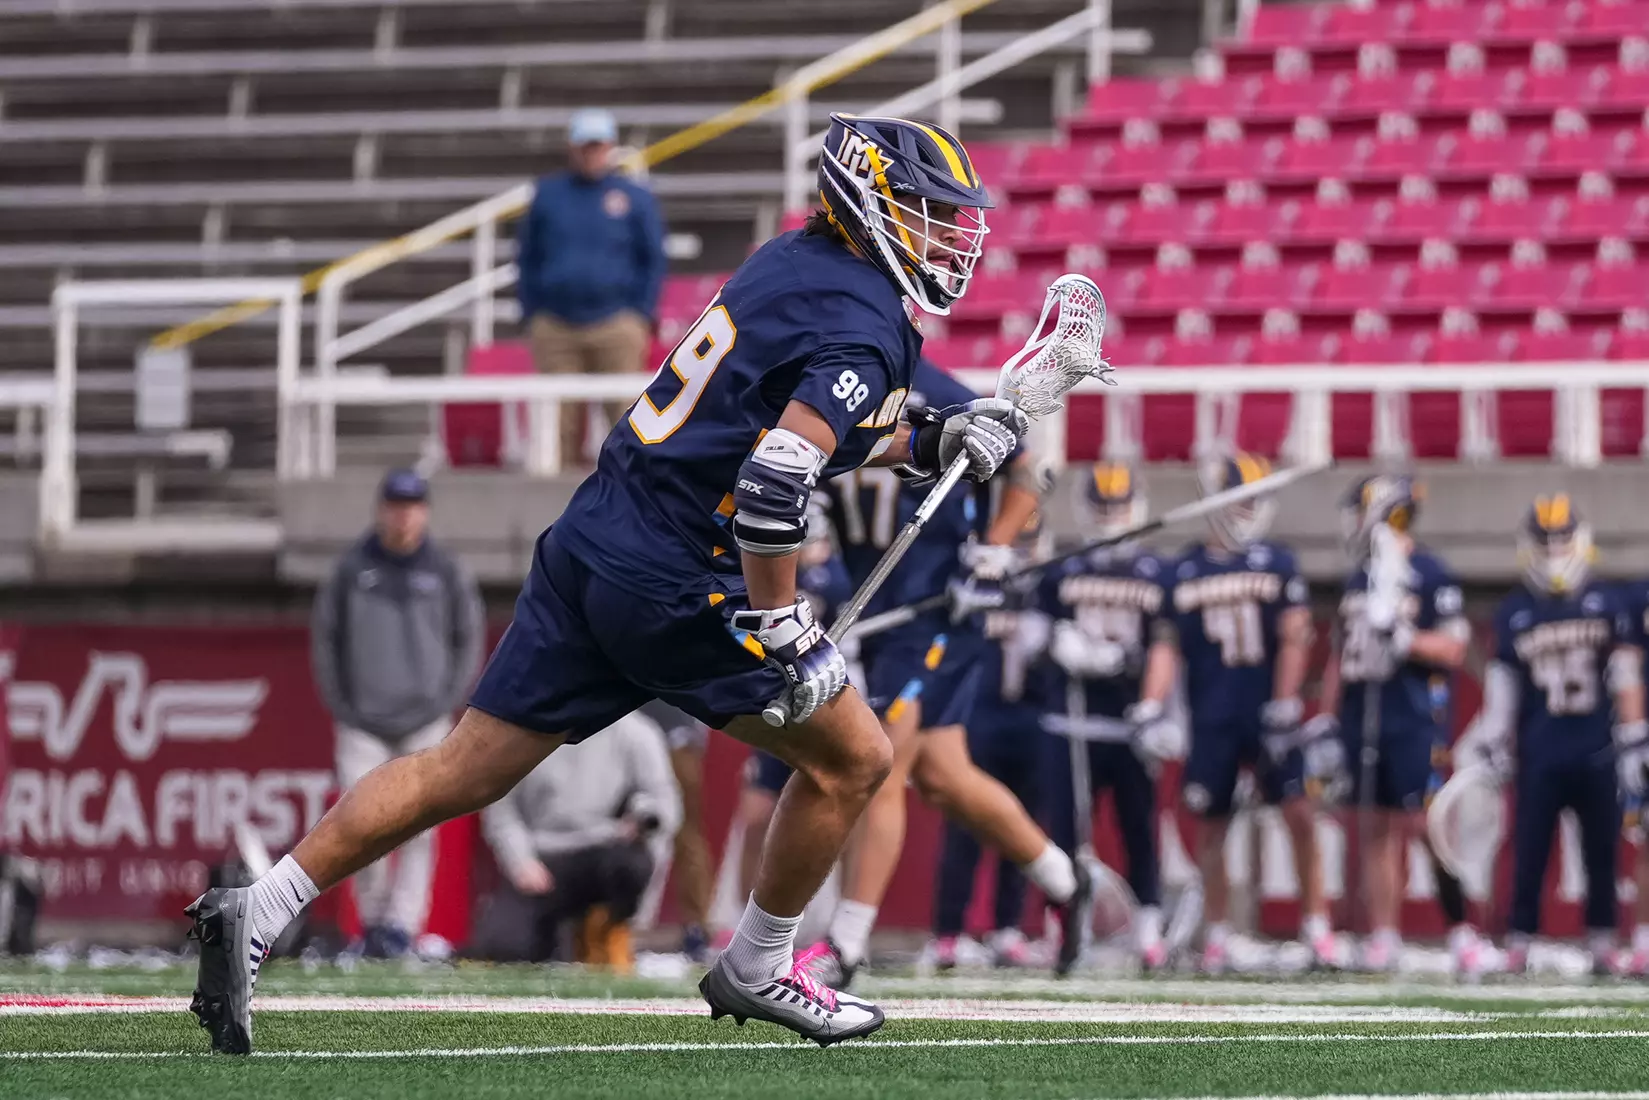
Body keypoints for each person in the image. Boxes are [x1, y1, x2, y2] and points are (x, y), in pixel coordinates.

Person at [186, 113, 1017, 1054]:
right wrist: (785, 622)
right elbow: (777, 477)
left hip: (595, 533)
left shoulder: (789, 259)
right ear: (865, 201)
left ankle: (260, 906)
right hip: (676, 573)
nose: (943, 234)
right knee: (854, 758)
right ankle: (758, 964)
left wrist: (926, 441)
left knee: (460, 768)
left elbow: (768, 420)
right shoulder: (868, 318)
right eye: (921, 209)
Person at [802, 359, 1094, 987]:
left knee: (879, 755)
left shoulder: (929, 390)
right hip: (872, 608)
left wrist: (992, 549)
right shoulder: (816, 387)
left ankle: (847, 944)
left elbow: (1028, 468)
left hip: (935, 609)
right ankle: (1066, 883)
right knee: (943, 774)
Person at [1137, 453, 1330, 974]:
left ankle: (1317, 928)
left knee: (1299, 815)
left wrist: (1286, 700)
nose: (1251, 509)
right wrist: (1152, 706)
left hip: (1266, 710)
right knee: (1212, 825)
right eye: (1243, 499)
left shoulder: (1277, 562)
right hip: (1212, 713)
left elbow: (1295, 633)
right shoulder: (1185, 569)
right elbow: (1166, 645)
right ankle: (1218, 933)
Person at [1456, 495, 1643, 975]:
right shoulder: (1517, 610)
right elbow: (1503, 692)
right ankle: (1519, 940)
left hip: (1598, 749)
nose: (1556, 550)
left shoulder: (1607, 602)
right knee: (1530, 850)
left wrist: (1634, 736)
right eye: (1547, 541)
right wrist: (1493, 739)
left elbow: (1625, 676)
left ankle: (1602, 941)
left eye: (1563, 539)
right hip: (1540, 751)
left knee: (1602, 851)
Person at [308, 468, 484, 958]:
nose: (403, 515)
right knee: (359, 822)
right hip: (363, 721)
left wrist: (446, 699)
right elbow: (326, 641)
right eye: (395, 504)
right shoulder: (351, 569)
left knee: (420, 826)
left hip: (424, 719)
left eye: (412, 505)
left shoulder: (446, 570)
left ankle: (403, 925)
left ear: (423, 511)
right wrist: (343, 705)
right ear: (381, 508)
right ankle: (371, 924)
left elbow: (466, 639)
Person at [1315, 474, 1468, 972]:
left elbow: (1454, 646)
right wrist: (1327, 715)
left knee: (1427, 824)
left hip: (1411, 713)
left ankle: (1461, 929)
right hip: (1363, 711)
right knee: (1376, 826)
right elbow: (1342, 654)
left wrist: (1406, 640)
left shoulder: (1427, 571)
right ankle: (1385, 935)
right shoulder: (1358, 577)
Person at [1037, 463, 1171, 970]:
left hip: (1130, 723)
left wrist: (1152, 703)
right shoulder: (1064, 570)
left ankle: (1149, 929)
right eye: (1103, 507)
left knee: (1140, 829)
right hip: (1071, 723)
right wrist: (1057, 645)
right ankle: (1064, 928)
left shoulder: (1154, 572)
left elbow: (1164, 644)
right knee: (1066, 836)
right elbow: (1036, 636)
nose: (1112, 516)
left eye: (1119, 506)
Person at [471, 708, 681, 968]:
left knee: (632, 864)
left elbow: (665, 804)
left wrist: (642, 816)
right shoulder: (521, 731)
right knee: (504, 948)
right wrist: (520, 863)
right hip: (542, 860)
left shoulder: (635, 731)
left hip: (603, 851)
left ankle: (611, 929)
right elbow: (501, 808)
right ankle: (559, 941)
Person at [517, 107, 668, 466]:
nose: (591, 153)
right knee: (559, 425)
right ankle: (561, 509)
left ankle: (628, 502)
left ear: (610, 147)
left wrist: (639, 314)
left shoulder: (634, 196)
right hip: (556, 323)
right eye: (585, 145)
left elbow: (653, 258)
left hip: (616, 321)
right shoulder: (549, 194)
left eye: (597, 145)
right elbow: (527, 255)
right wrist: (532, 313)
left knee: (625, 420)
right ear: (572, 148)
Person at [638, 700, 716, 962]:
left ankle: (697, 926)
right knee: (614, 824)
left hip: (675, 732)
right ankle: (605, 925)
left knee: (685, 833)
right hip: (625, 725)